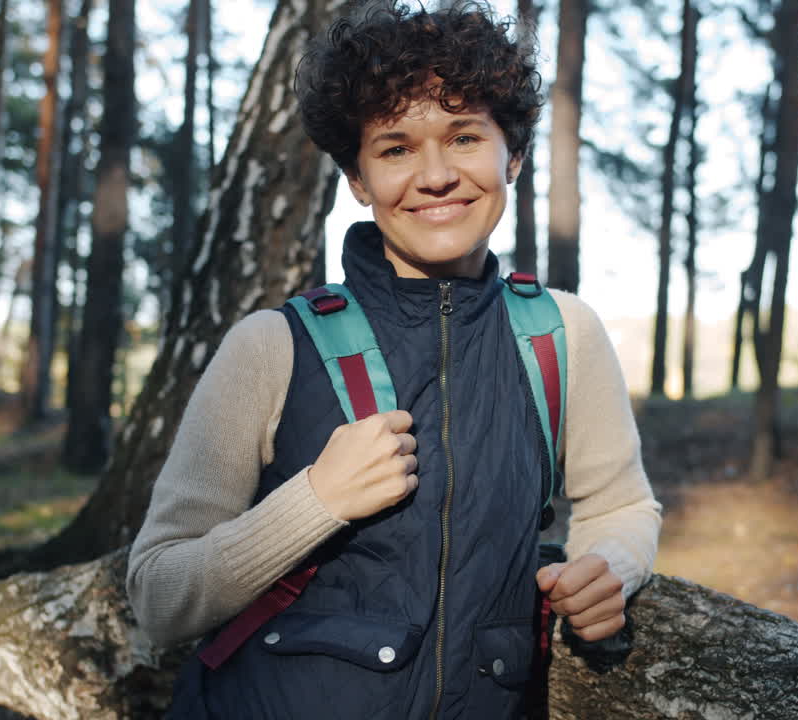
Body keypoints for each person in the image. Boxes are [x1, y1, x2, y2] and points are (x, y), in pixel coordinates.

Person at [126, 1, 662, 717]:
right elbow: (157, 594)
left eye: (465, 136)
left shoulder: (561, 334)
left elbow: (621, 504)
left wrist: (609, 568)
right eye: (396, 148)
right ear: (357, 179)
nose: (435, 175)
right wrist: (316, 499)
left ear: (515, 155)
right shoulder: (271, 347)